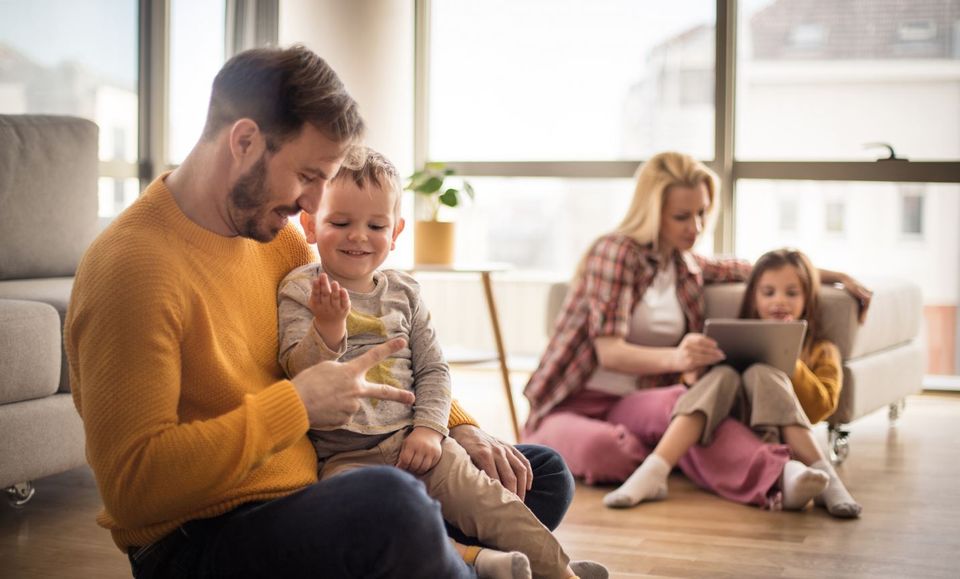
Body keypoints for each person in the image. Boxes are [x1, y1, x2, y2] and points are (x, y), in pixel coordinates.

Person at [65, 45, 574, 579]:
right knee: (392, 505)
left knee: (540, 474)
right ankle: (456, 561)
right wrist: (298, 407)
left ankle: (443, 558)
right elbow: (132, 489)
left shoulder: (271, 232)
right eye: (308, 176)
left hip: (312, 481)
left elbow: (358, 347)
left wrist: (455, 427)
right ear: (244, 142)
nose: (312, 205)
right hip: (203, 533)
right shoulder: (132, 268)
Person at [278, 147, 606, 579]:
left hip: (418, 443)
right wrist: (328, 329)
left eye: (375, 225)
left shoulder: (406, 292)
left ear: (395, 232)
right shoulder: (301, 288)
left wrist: (430, 430)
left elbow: (434, 369)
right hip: (344, 457)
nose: (358, 236)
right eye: (340, 223)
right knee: (368, 522)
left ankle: (559, 571)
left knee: (494, 504)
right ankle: (477, 562)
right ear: (310, 225)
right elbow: (298, 373)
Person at [522, 151, 872, 515]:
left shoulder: (686, 265)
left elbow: (754, 270)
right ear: (652, 212)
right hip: (573, 401)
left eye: (703, 212)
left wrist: (834, 277)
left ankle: (784, 476)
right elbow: (610, 352)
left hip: (634, 403)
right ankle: (665, 457)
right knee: (611, 453)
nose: (697, 226)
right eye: (681, 216)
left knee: (686, 408)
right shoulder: (615, 252)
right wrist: (678, 356)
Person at [603, 248, 861, 518]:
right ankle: (654, 470)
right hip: (733, 431)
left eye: (792, 293)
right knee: (723, 375)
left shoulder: (823, 350)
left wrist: (785, 356)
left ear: (808, 298)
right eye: (769, 292)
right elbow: (693, 392)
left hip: (784, 435)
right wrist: (693, 373)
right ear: (754, 297)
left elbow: (822, 406)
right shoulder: (737, 337)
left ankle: (826, 478)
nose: (780, 301)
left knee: (763, 373)